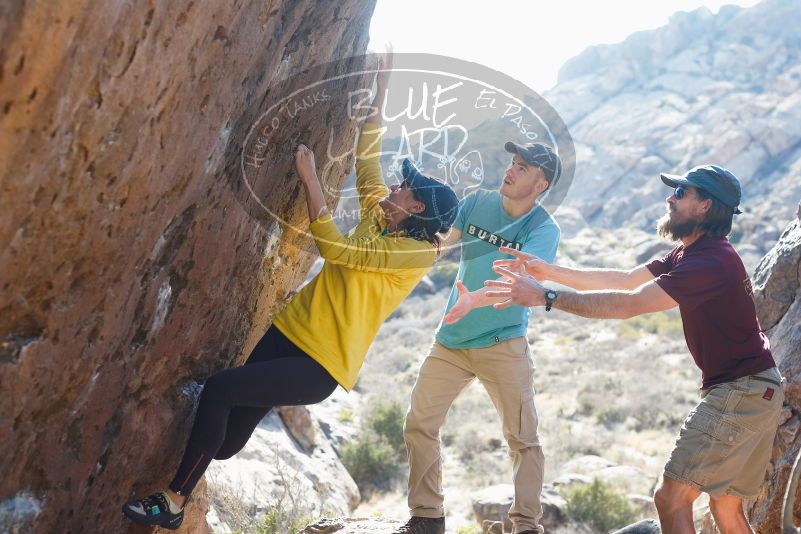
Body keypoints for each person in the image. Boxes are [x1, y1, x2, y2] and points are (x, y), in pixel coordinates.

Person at [121, 54, 459, 530]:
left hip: (319, 363)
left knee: (219, 390)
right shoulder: (382, 217)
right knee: (231, 439)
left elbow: (338, 251)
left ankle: (174, 502)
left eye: (407, 187)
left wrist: (311, 181)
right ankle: (192, 469)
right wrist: (383, 88)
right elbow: (367, 155)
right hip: (286, 332)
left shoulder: (413, 255)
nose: (397, 185)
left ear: (418, 207)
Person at [474, 165, 783, 534]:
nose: (671, 197)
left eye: (682, 192)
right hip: (758, 390)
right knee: (726, 506)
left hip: (742, 391)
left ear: (705, 206)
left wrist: (545, 297)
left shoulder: (710, 262)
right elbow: (622, 279)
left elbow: (628, 304)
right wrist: (547, 272)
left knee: (670, 500)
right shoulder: (693, 253)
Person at [394, 140, 562, 534]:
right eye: (513, 163)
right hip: (451, 339)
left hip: (503, 343)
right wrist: (402, 241)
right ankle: (427, 516)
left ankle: (525, 526)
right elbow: (441, 244)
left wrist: (475, 301)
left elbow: (518, 282)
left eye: (523, 168)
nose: (511, 170)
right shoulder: (476, 203)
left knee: (523, 440)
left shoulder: (542, 230)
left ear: (541, 184)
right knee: (419, 424)